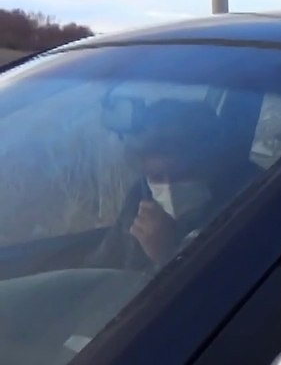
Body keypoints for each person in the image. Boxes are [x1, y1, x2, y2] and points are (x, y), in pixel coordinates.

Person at [86, 98, 260, 272]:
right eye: (156, 176)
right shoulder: (140, 198)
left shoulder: (248, 205)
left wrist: (167, 255)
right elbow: (100, 267)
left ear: (210, 166)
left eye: (183, 174)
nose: (168, 186)